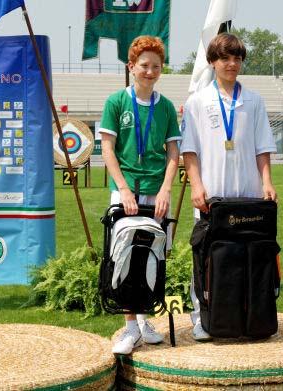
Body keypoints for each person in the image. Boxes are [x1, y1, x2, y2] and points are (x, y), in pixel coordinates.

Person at [180, 33, 277, 341]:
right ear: (212, 62)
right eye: (225, 58)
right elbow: (190, 150)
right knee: (206, 256)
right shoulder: (197, 101)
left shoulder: (254, 101)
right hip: (211, 195)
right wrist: (196, 186)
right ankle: (202, 317)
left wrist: (267, 183)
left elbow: (262, 147)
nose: (232, 64)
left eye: (237, 58)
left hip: (247, 195)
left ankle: (245, 314)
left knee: (245, 256)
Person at [99, 36, 182, 354]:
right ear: (131, 67)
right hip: (126, 194)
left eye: (156, 66)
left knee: (153, 256)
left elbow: (173, 152)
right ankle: (129, 327)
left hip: (155, 195)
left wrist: (165, 189)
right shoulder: (116, 102)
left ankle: (145, 321)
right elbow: (107, 149)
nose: (150, 71)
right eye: (144, 65)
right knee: (124, 257)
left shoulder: (165, 107)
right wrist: (122, 189)